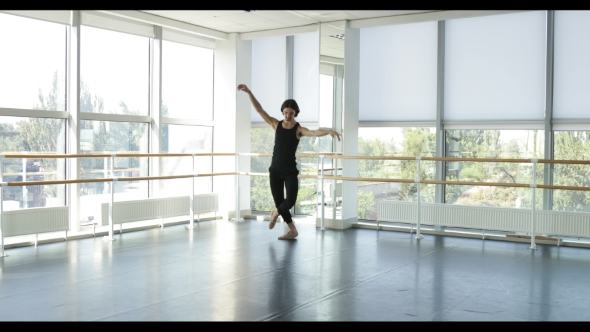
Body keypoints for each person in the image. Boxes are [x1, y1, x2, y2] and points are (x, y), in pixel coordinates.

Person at [237, 84, 341, 240]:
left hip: (290, 171)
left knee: (289, 201)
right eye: (285, 113)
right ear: (282, 112)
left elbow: (314, 132)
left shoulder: (298, 130)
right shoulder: (275, 124)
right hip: (275, 171)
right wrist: (249, 92)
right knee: (280, 202)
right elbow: (260, 110)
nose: (287, 116)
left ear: (296, 113)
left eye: (291, 113)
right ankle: (292, 230)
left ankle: (275, 213)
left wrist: (328, 131)